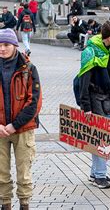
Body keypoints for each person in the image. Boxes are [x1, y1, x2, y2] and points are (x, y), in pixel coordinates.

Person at [77, 21, 110, 189]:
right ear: (109, 38)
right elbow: (84, 80)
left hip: (108, 99)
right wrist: (86, 107)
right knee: (101, 139)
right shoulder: (90, 52)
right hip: (95, 100)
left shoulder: (107, 50)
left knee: (109, 139)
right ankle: (100, 175)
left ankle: (95, 173)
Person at [0, 29, 42, 210]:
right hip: (0, 129)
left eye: (6, 45)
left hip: (23, 129)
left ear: (15, 46)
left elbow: (34, 102)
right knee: (1, 173)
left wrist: (14, 125)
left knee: (24, 173)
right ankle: (5, 204)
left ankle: (25, 204)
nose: (2, 49)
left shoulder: (29, 68)